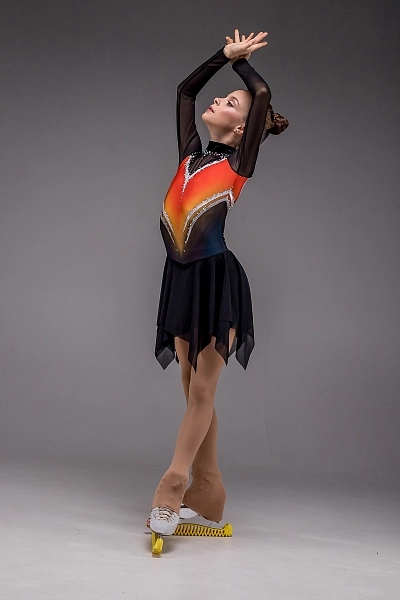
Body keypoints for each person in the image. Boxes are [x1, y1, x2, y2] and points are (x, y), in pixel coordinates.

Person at [149, 29, 289, 535]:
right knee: (192, 388)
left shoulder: (238, 164)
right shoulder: (190, 154)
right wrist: (220, 57)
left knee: (203, 387)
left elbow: (262, 93)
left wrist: (241, 66)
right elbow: (185, 91)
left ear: (243, 127)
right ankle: (210, 489)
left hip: (215, 279)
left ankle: (173, 485)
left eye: (230, 102)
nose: (218, 101)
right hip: (180, 278)